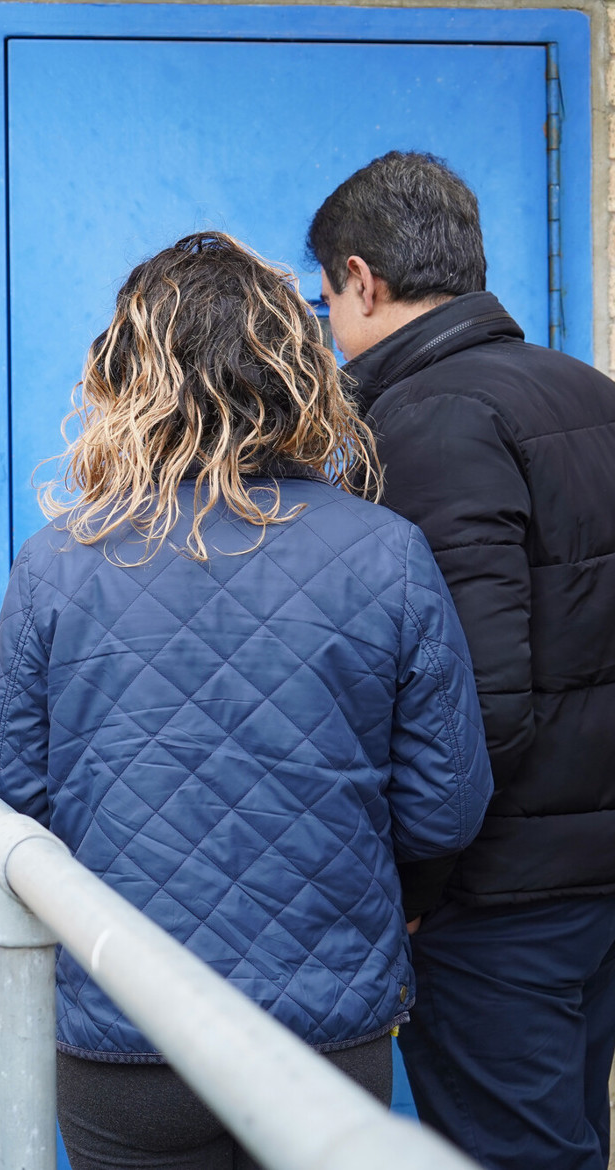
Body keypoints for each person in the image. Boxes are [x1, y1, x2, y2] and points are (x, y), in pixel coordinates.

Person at [0, 230, 493, 1170]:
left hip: (124, 1031)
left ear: (131, 378)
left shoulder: (58, 561)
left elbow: (12, 802)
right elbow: (446, 805)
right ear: (299, 376)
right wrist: (401, 900)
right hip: (326, 1040)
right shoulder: (388, 552)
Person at [308, 150, 615, 1170]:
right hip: (590, 881)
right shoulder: (586, 391)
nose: (330, 335)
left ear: (363, 279)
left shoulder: (429, 420)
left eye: (325, 304)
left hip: (498, 900)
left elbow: (472, 707)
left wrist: (410, 881)